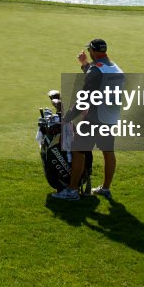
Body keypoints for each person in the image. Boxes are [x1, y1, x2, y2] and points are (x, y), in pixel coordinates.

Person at [51, 38, 124, 201]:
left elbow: (84, 98)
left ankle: (71, 191)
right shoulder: (115, 68)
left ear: (93, 51)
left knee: (78, 151)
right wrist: (85, 65)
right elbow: (97, 77)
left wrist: (67, 117)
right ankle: (106, 188)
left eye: (90, 51)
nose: (89, 53)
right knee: (108, 151)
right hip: (110, 117)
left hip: (95, 119)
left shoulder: (96, 70)